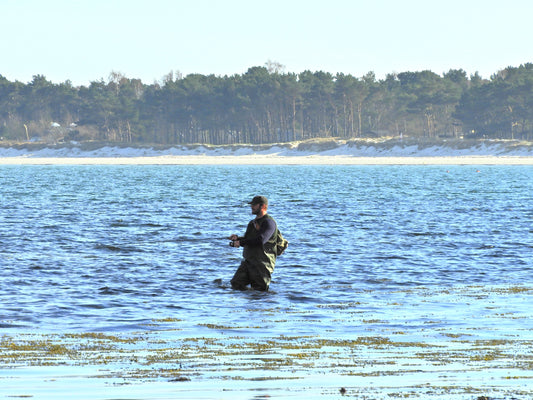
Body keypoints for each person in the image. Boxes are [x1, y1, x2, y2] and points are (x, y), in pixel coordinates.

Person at [229, 196, 279, 291]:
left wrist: (241, 242)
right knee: (236, 284)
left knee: (260, 292)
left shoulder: (269, 223)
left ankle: (261, 305)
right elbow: (250, 240)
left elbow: (261, 240)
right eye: (251, 205)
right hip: (248, 262)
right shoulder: (252, 223)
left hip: (262, 264)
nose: (251, 207)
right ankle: (247, 304)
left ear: (262, 206)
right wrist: (237, 239)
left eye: (254, 205)